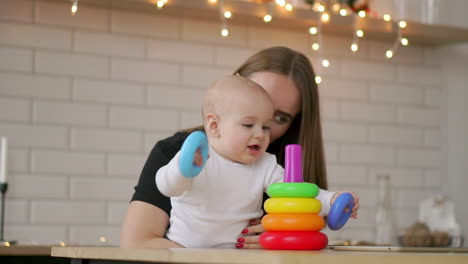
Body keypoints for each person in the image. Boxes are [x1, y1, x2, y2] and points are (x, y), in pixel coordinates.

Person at [120, 46, 360, 249]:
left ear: (295, 122)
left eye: (276, 119)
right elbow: (137, 241)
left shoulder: (270, 166)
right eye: (248, 119)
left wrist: (327, 204)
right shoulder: (183, 153)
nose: (260, 132)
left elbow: (300, 193)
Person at [155, 75, 337, 248]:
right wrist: (184, 169)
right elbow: (167, 187)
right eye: (248, 125)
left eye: (266, 127)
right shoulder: (197, 156)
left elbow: (295, 193)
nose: (260, 134)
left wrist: (331, 201)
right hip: (184, 252)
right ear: (214, 125)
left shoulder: (265, 165)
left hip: (239, 256)